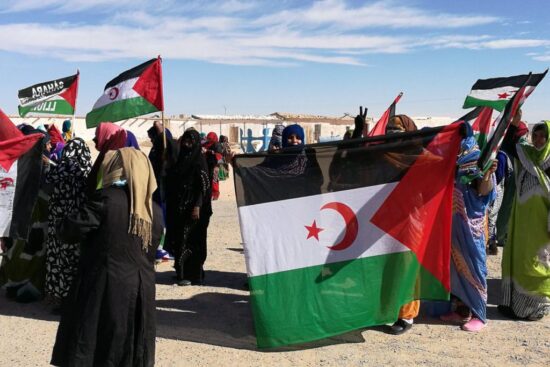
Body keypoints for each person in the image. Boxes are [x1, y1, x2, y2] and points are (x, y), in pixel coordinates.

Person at [50, 147, 163, 367]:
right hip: (141, 292)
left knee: (97, 348)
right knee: (128, 352)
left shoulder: (106, 200)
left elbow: (68, 231)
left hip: (105, 288)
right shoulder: (153, 211)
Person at [440, 124, 496, 332]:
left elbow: (484, 190)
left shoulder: (475, 159)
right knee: (456, 268)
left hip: (472, 231)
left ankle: (480, 314)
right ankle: (462, 310)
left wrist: (488, 175)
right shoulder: (452, 161)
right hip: (455, 227)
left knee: (474, 268)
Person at [498, 120, 550, 321]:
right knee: (519, 261)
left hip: (541, 226)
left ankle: (536, 310)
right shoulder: (526, 155)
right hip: (520, 222)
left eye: (542, 136)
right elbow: (509, 143)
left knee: (537, 265)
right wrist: (513, 117)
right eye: (535, 135)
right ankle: (517, 307)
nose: (538, 140)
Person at [44, 138, 92, 310]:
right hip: (80, 222)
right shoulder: (88, 168)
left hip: (61, 221)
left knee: (60, 261)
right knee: (75, 261)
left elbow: (49, 178)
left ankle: (62, 300)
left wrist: (48, 165)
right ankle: (77, 299)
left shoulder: (67, 166)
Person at [164, 129, 210, 286]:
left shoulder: (199, 160)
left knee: (192, 241)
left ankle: (194, 274)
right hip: (179, 207)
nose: (187, 144)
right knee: (179, 239)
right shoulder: (180, 158)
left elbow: (204, 186)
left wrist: (197, 205)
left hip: (194, 208)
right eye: (185, 141)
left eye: (191, 141)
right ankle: (181, 273)